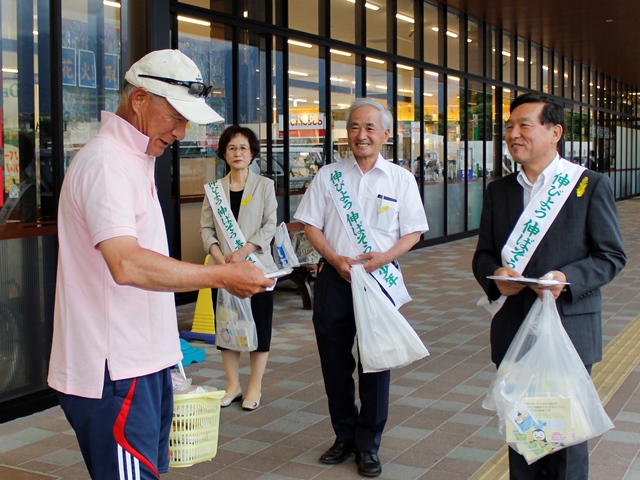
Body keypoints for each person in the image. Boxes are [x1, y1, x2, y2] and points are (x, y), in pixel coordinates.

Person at [47, 49, 274, 480]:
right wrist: (222, 274)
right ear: (139, 100)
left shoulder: (136, 158)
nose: (182, 130)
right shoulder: (106, 162)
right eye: (175, 115)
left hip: (139, 361)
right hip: (114, 369)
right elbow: (127, 264)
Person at [472, 92, 626, 480]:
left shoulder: (589, 185)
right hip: (515, 327)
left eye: (525, 125)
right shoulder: (499, 190)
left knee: (564, 438)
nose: (513, 134)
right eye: (509, 126)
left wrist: (567, 279)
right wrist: (496, 278)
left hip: (568, 328)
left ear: (555, 132)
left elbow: (610, 256)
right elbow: (484, 256)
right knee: (522, 435)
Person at [294, 98, 428, 478]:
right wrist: (335, 259)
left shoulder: (401, 179)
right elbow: (310, 224)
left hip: (378, 281)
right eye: (355, 127)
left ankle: (369, 444)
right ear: (346, 133)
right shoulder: (328, 176)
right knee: (334, 365)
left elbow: (414, 232)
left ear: (386, 134)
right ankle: (344, 435)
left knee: (376, 363)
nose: (361, 134)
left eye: (370, 128)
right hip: (336, 279)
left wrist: (384, 257)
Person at [200, 125, 277, 411]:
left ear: (252, 152)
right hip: (223, 271)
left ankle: (254, 386)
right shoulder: (214, 191)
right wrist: (219, 257)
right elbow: (206, 229)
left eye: (243, 148)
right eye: (232, 148)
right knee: (227, 326)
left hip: (256, 267)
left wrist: (244, 251)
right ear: (224, 153)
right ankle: (233, 385)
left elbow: (270, 224)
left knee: (260, 325)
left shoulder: (264, 185)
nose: (237, 153)